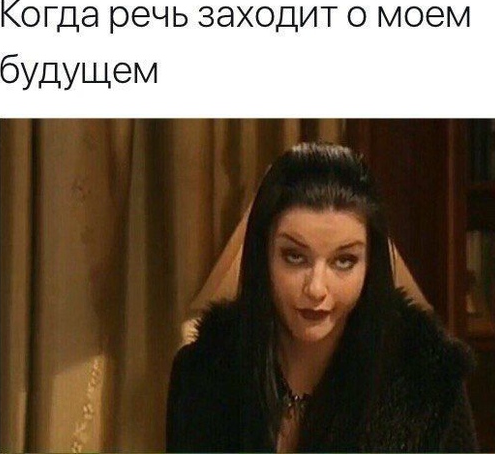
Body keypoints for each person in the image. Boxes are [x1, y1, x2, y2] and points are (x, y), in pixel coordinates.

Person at [166, 143, 478, 452]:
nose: (316, 288)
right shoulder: (203, 374)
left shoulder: (428, 385)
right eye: (294, 257)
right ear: (263, 256)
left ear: (371, 266)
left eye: (344, 261)